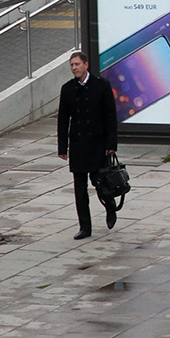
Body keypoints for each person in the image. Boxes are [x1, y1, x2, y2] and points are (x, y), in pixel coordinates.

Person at [57, 51, 118, 240]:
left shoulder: (101, 86)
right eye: (72, 65)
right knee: (80, 189)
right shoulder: (68, 89)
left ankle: (110, 206)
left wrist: (111, 143)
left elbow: (110, 116)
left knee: (101, 183)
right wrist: (62, 147)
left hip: (98, 144)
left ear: (86, 65)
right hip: (78, 145)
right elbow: (63, 120)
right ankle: (85, 226)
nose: (74, 68)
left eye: (77, 64)